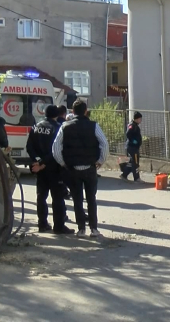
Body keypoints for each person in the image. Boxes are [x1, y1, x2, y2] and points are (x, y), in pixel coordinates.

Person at [52, 100, 109, 238]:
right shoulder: (93, 126)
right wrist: (100, 161)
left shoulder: (65, 126)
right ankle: (94, 229)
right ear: (85, 111)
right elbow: (104, 144)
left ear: (72, 111)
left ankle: (81, 229)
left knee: (77, 199)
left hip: (73, 169)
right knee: (91, 199)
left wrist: (63, 163)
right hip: (90, 167)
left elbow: (55, 148)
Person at [26, 105, 74, 235]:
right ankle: (58, 226)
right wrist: (43, 163)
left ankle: (42, 224)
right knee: (57, 198)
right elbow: (56, 151)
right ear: (57, 115)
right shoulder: (58, 128)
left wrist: (37, 161)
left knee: (41, 196)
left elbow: (29, 147)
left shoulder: (35, 127)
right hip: (54, 168)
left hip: (40, 169)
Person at [120, 112, 143, 182]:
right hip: (132, 148)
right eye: (140, 118)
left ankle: (124, 175)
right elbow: (128, 134)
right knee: (135, 162)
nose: (141, 120)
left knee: (132, 162)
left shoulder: (135, 125)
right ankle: (136, 178)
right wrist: (134, 141)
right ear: (137, 119)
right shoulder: (132, 125)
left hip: (134, 147)